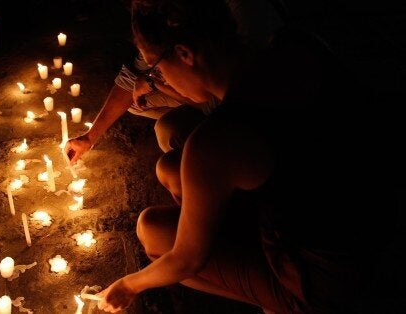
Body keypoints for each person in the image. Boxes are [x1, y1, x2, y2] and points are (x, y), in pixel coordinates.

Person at [95, 0, 401, 313]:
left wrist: (127, 285)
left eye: (156, 68)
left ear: (185, 54)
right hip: (371, 211)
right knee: (173, 168)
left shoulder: (219, 139)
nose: (160, 80)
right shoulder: (294, 43)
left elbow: (187, 260)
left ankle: (283, 301)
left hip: (331, 277)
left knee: (154, 231)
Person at [65, 0, 283, 161]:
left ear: (185, 54)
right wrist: (89, 137)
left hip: (250, 118)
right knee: (146, 110)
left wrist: (155, 82)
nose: (156, 72)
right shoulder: (169, 21)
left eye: (158, 67)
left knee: (170, 164)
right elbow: (131, 78)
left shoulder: (249, 29)